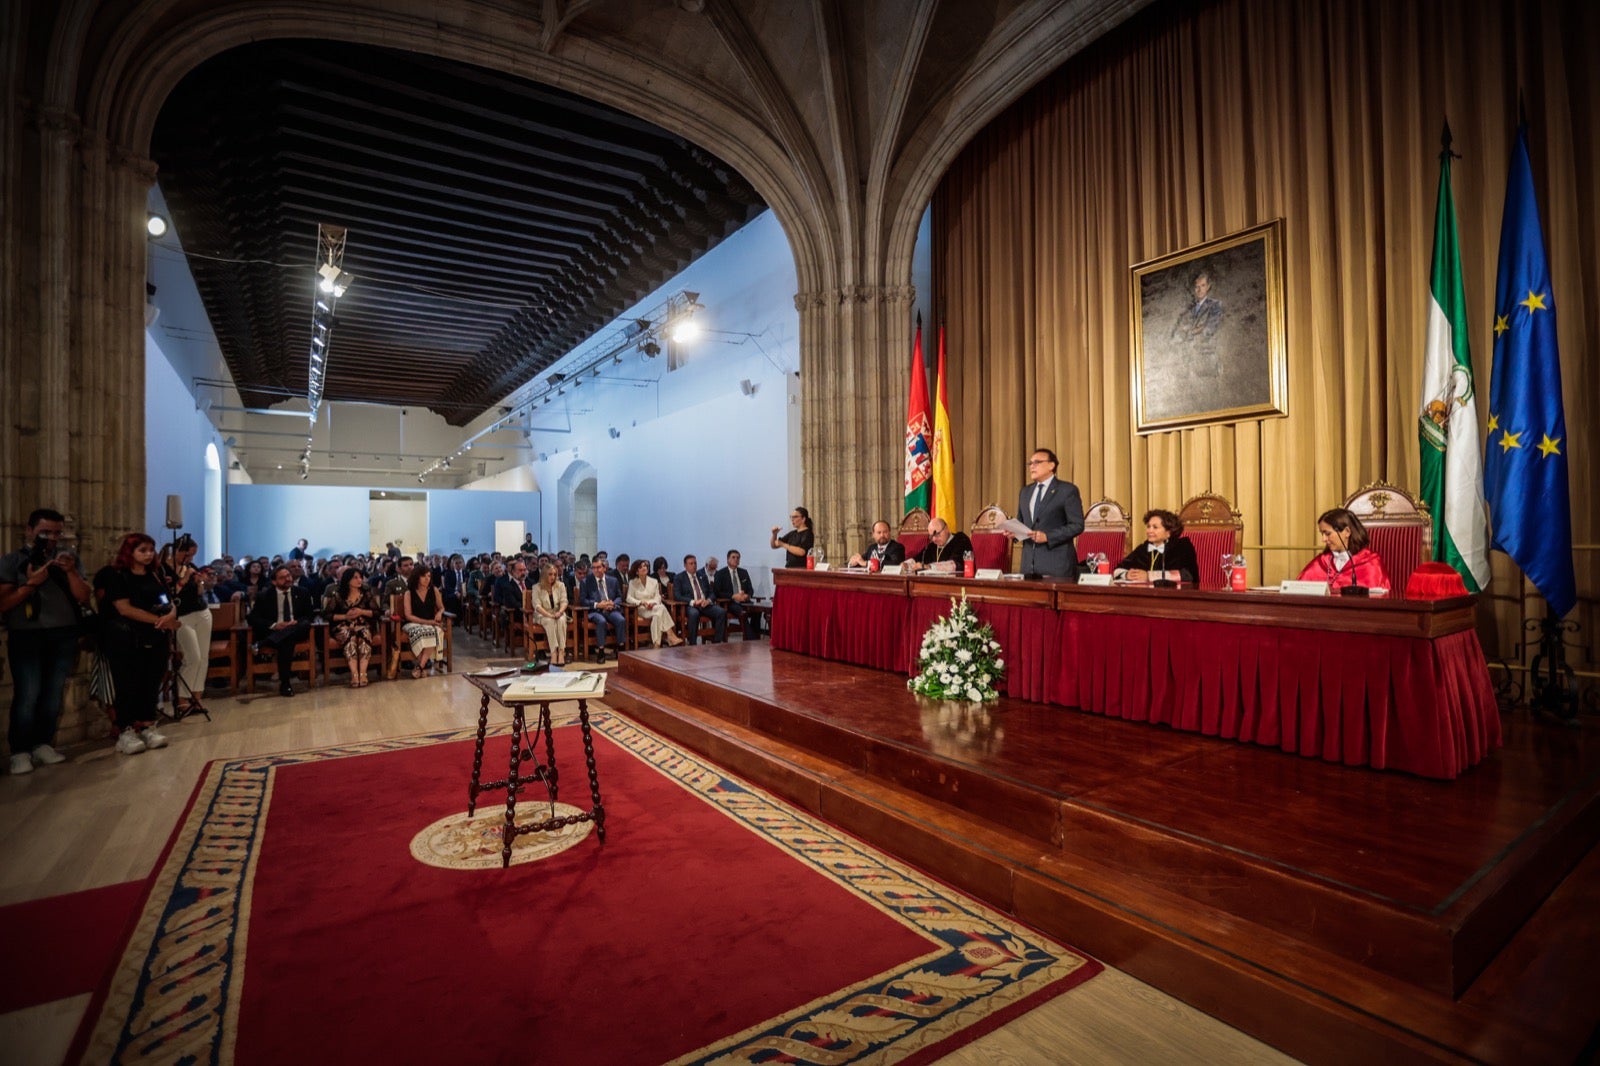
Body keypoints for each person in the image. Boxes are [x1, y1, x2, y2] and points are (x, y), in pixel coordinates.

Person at [0, 508, 92, 774]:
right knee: (28, 692)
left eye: (56, 533)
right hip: (26, 634)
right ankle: (19, 750)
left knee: (53, 691)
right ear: (30, 531)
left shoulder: (68, 558)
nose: (51, 538)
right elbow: (4, 603)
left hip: (63, 633)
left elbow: (84, 597)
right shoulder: (12, 561)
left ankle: (43, 743)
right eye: (45, 533)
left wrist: (72, 572)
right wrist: (31, 584)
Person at [95, 534, 176, 754]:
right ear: (129, 552)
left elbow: (168, 601)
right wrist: (160, 621)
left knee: (151, 682)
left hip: (156, 636)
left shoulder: (155, 574)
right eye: (143, 550)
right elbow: (124, 608)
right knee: (128, 683)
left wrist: (170, 615)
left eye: (151, 549)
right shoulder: (117, 575)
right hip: (127, 638)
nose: (148, 554)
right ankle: (126, 730)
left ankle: (148, 725)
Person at [1012, 447, 1085, 579]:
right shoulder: (1025, 492)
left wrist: (1048, 536)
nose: (1032, 467)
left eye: (1037, 462)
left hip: (1057, 565)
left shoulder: (1067, 490)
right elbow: (1022, 523)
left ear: (1051, 465)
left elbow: (1077, 525)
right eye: (1030, 463)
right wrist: (1014, 533)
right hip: (1028, 566)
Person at [158, 534, 211, 714]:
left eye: (193, 556)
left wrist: (199, 581)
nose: (190, 559)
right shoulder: (165, 568)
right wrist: (184, 578)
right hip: (182, 616)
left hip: (201, 612)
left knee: (203, 657)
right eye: (187, 555)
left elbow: (200, 592)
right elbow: (171, 595)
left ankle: (197, 697)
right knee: (192, 657)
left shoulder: (190, 567)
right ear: (177, 551)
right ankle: (181, 698)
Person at [247, 565, 315, 696]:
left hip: (297, 629)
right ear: (274, 581)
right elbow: (252, 618)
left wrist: (296, 622)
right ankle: (285, 683)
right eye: (282, 578)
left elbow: (309, 615)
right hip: (275, 632)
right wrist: (274, 625)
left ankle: (261, 644)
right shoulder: (264, 595)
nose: (287, 579)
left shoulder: (302, 592)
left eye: (288, 576)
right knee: (287, 640)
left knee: (302, 625)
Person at [1299, 508, 1391, 592]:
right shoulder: (1321, 562)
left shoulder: (1370, 563)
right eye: (1322, 534)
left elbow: (1377, 599)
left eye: (1327, 534)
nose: (1323, 539)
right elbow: (1298, 590)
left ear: (1347, 532)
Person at [324, 566, 379, 687]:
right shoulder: (338, 596)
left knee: (363, 634)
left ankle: (363, 673)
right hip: (343, 626)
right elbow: (327, 615)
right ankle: (354, 673)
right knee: (350, 636)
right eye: (355, 578)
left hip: (363, 624)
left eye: (360, 577)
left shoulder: (366, 594)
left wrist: (361, 612)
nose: (359, 580)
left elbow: (376, 613)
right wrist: (345, 617)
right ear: (347, 580)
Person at [1113, 509, 1198, 584]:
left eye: (1155, 527)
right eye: (1148, 526)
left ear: (1169, 532)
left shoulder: (1181, 547)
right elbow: (1118, 569)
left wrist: (1149, 576)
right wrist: (1127, 575)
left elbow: (1187, 575)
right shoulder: (1143, 548)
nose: (1149, 531)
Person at [399, 565, 448, 677]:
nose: (427, 579)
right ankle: (423, 665)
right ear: (417, 577)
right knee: (425, 630)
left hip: (430, 623)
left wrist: (439, 613)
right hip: (412, 623)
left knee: (434, 630)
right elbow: (408, 616)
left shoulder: (434, 590)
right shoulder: (409, 593)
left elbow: (441, 607)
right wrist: (428, 622)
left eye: (429, 576)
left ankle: (419, 666)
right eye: (424, 576)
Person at [625, 559, 684, 648]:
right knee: (661, 608)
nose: (644, 568)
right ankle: (670, 634)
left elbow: (658, 597)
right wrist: (641, 602)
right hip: (641, 609)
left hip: (654, 607)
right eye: (641, 567)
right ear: (637, 571)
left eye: (645, 566)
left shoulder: (654, 581)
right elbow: (628, 598)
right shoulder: (632, 582)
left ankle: (656, 644)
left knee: (657, 616)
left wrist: (653, 603)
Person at [673, 555, 726, 644]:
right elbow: (677, 596)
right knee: (694, 613)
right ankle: (693, 643)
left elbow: (711, 592)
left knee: (721, 612)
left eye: (695, 563)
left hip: (704, 604)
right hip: (690, 605)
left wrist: (708, 600)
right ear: (685, 565)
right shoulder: (679, 578)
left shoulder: (702, 576)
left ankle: (717, 641)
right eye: (691, 563)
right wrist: (693, 602)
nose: (694, 565)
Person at [581, 559, 625, 662]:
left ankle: (621, 649)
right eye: (594, 568)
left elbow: (619, 596)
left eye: (598, 567)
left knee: (621, 620)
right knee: (601, 621)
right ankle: (601, 651)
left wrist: (613, 603)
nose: (596, 570)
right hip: (595, 611)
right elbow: (583, 600)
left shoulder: (613, 580)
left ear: (604, 568)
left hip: (610, 609)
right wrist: (598, 605)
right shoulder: (586, 581)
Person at [530, 562, 572, 665]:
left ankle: (561, 652)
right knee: (550, 621)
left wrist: (560, 612)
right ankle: (554, 653)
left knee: (562, 620)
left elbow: (564, 601)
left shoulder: (560, 585)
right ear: (544, 574)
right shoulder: (536, 587)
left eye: (554, 574)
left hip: (558, 613)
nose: (553, 577)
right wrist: (550, 615)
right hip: (543, 615)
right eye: (550, 574)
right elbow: (537, 606)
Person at [715, 549, 761, 639]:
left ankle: (755, 635)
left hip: (744, 601)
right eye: (733, 557)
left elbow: (750, 589)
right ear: (728, 559)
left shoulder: (743, 572)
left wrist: (747, 596)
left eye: (738, 558)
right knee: (742, 612)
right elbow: (717, 592)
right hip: (730, 602)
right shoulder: (720, 573)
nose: (736, 559)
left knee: (757, 610)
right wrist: (733, 596)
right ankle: (752, 639)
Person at [1171, 269, 1225, 343]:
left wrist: (1189, 331)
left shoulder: (1215, 305)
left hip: (1205, 349)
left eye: (1203, 285)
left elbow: (1210, 329)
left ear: (1208, 286)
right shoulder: (1189, 308)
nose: (1200, 290)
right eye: (1197, 287)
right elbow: (1176, 331)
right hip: (1185, 350)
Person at [904, 518, 974, 573]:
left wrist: (929, 567)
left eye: (937, 534)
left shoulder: (960, 539)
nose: (934, 539)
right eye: (931, 536)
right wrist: (906, 565)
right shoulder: (933, 546)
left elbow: (956, 565)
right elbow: (918, 559)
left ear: (946, 528)